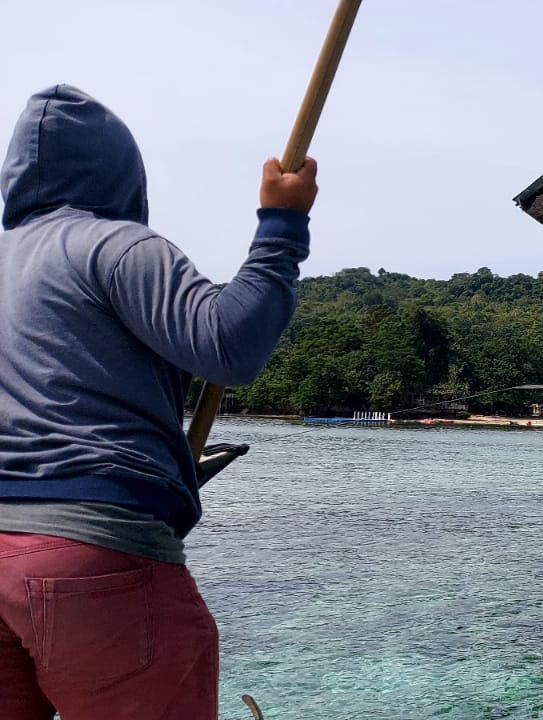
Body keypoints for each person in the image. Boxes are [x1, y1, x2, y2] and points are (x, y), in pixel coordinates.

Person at [0, 85, 317, 719]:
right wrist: (282, 225)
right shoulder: (117, 246)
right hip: (92, 551)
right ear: (125, 174)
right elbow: (229, 347)